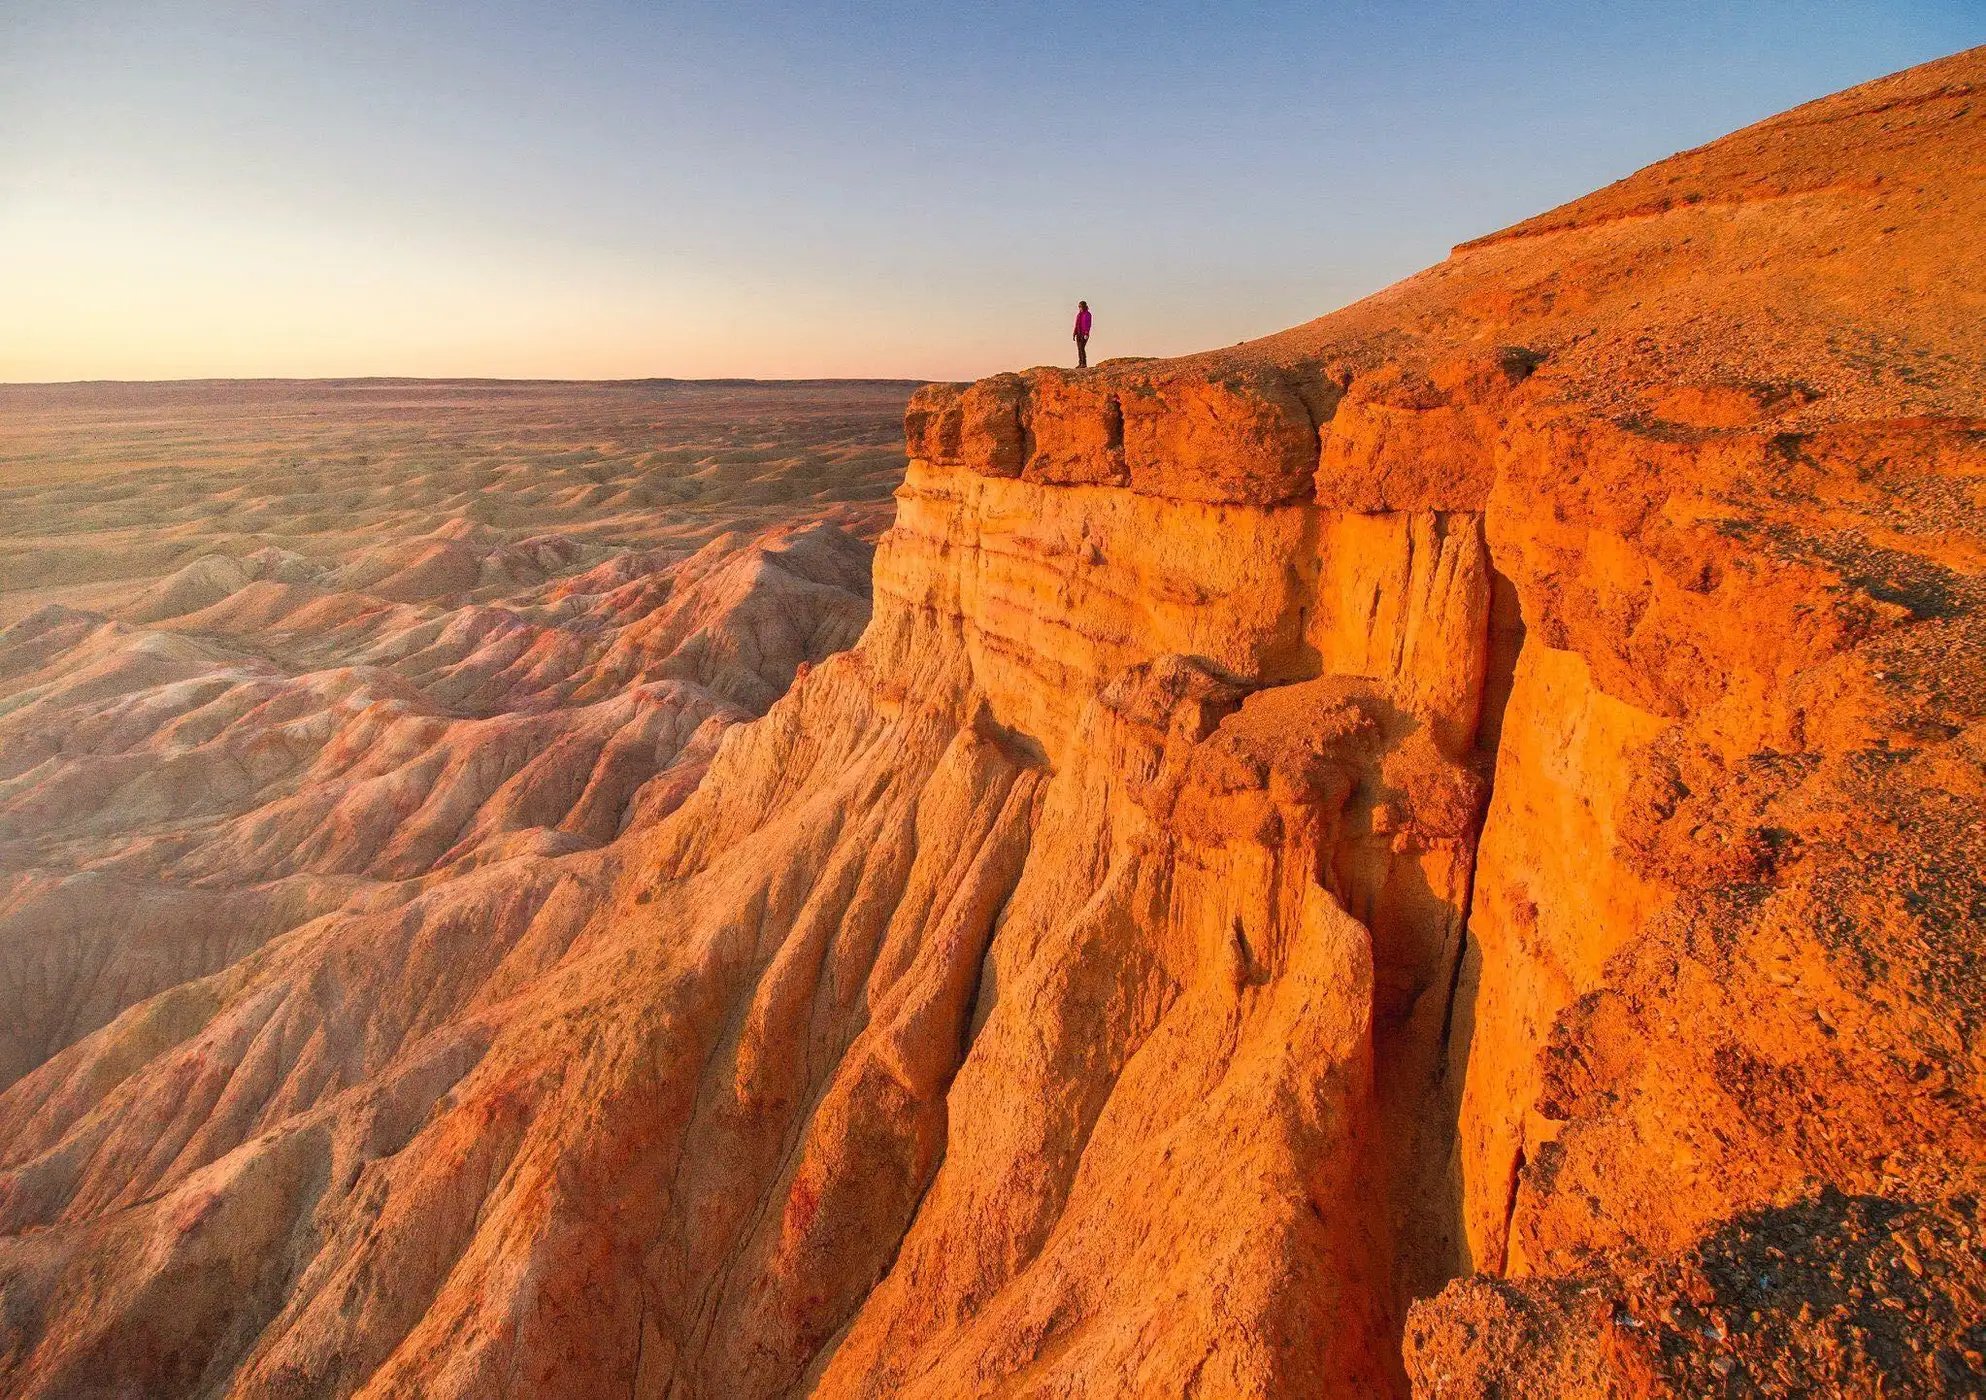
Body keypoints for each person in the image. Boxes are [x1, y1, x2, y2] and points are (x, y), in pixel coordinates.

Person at [1073, 300, 1092, 368]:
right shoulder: (1079, 315)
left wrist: (1086, 333)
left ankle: (1084, 363)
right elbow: (1076, 324)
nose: (1080, 308)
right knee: (1079, 348)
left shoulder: (1088, 314)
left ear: (1084, 306)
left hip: (1084, 334)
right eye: (1079, 307)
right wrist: (1074, 333)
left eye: (1080, 306)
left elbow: (1088, 324)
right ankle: (1080, 363)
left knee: (1082, 348)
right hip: (1078, 333)